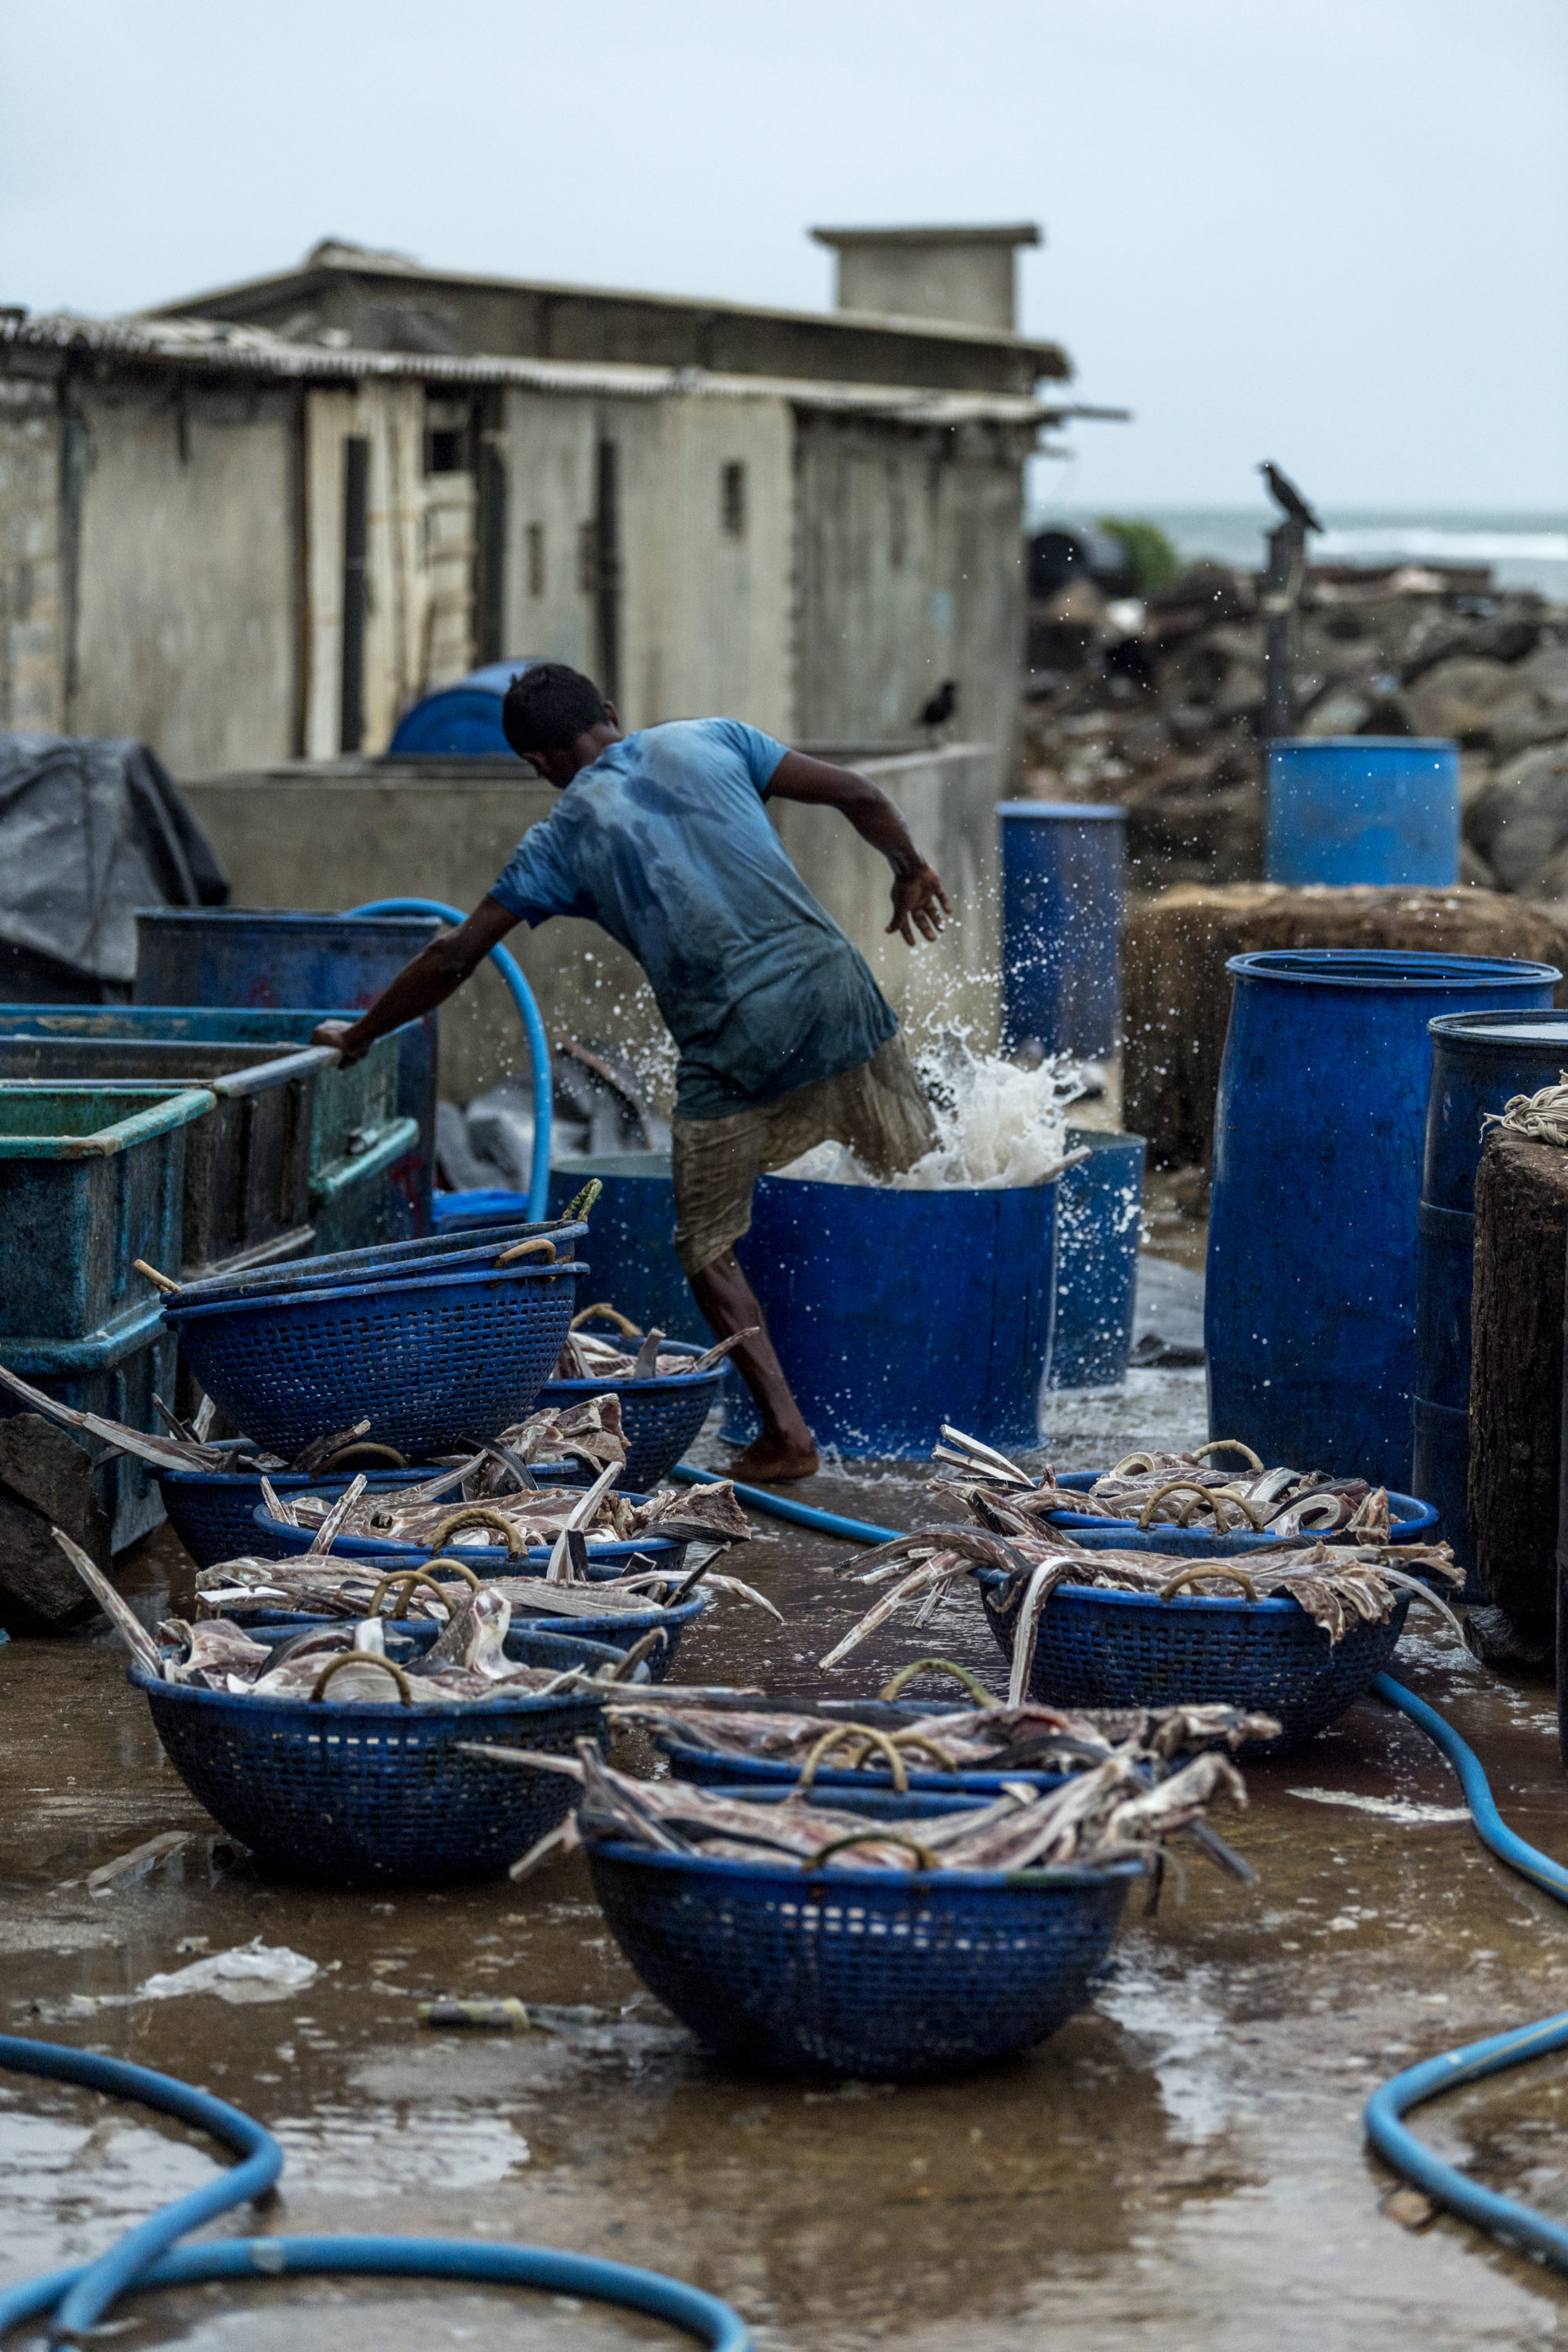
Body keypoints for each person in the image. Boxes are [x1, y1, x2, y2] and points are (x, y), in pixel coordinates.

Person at [313, 662, 950, 1483]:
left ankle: (788, 1436)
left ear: (537, 765)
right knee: (927, 1171)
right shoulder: (714, 738)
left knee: (707, 1246)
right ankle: (944, 1385)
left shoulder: (556, 839)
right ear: (610, 715)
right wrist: (908, 865)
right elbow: (859, 795)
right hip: (839, 992)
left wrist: (362, 1032)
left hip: (731, 1043)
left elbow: (452, 957)